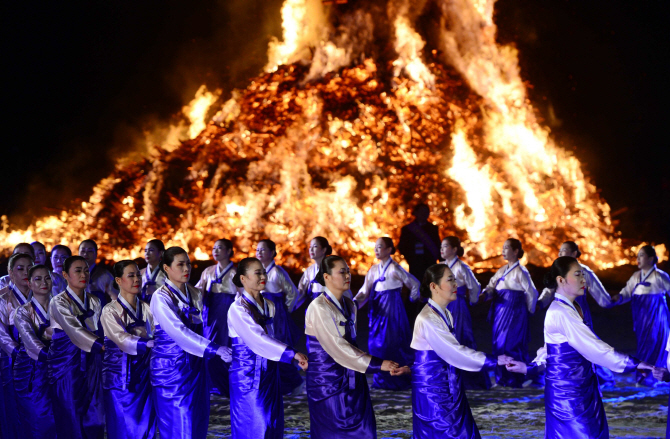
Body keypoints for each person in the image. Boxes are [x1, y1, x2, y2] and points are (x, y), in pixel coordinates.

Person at [506, 257, 652, 438]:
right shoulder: (560, 312)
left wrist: (531, 367)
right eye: (577, 275)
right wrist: (633, 364)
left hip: (582, 387)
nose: (584, 280)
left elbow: (549, 350)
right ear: (561, 280)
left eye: (583, 275)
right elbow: (593, 347)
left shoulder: (572, 307)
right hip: (568, 394)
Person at [306, 255, 403, 439]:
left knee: (364, 427)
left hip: (353, 374)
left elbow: (351, 342)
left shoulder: (349, 304)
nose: (348, 275)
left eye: (348, 271)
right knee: (333, 430)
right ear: (326, 277)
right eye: (342, 272)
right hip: (327, 380)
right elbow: (337, 345)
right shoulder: (318, 307)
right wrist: (377, 364)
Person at [412, 263, 511, 438]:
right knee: (446, 429)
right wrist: (492, 361)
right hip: (433, 385)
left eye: (455, 280)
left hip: (447, 380)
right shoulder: (428, 318)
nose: (456, 285)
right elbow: (454, 351)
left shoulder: (445, 313)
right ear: (434, 286)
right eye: (450, 280)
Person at [150, 246, 230, 439]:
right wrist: (215, 348)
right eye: (180, 264)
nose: (187, 268)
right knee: (180, 422)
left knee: (198, 420)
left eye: (188, 264)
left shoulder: (194, 293)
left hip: (196, 366)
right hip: (171, 369)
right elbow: (179, 331)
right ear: (166, 268)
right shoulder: (160, 297)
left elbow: (199, 326)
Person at [228, 257, 308, 439]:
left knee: (273, 422)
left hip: (269, 372)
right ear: (243, 278)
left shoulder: (269, 305)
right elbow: (258, 338)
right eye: (257, 273)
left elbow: (270, 339)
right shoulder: (237, 309)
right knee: (256, 424)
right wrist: (292, 353)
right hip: (248, 376)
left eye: (263, 272)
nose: (263, 276)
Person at [538, 240, 618, 386]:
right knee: (561, 347)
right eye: (560, 251)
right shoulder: (557, 272)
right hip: (562, 314)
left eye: (565, 250)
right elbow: (548, 291)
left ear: (574, 253)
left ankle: (603, 377)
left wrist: (611, 301)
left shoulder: (585, 272)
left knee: (587, 346)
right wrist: (540, 303)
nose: (560, 253)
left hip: (580, 315)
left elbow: (599, 293)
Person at [49, 255, 105, 439]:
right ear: (65, 275)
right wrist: (99, 345)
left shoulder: (95, 301)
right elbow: (73, 329)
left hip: (92, 364)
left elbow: (99, 329)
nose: (84, 275)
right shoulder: (58, 301)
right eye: (78, 271)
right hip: (67, 366)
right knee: (71, 414)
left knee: (94, 415)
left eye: (86, 270)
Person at [101, 260, 156, 439]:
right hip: (120, 377)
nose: (136, 280)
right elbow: (120, 338)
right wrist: (145, 343)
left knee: (146, 422)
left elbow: (157, 333)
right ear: (118, 280)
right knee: (122, 424)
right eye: (130, 276)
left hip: (145, 373)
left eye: (138, 275)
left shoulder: (147, 308)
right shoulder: (110, 311)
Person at [355, 237, 419, 390]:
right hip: (378, 310)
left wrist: (412, 298)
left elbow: (414, 283)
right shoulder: (373, 270)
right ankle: (381, 379)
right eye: (376, 247)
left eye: (380, 247)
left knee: (393, 343)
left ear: (389, 250)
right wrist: (353, 304)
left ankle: (398, 378)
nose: (377, 250)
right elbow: (364, 291)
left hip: (392, 310)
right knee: (376, 344)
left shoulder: (394, 268)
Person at [481, 238, 538, 387]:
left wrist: (530, 309)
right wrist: (486, 293)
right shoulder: (502, 269)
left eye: (507, 248)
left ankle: (515, 378)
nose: (503, 251)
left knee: (511, 344)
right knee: (498, 343)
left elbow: (531, 291)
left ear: (516, 251)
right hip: (500, 311)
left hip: (514, 312)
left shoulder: (521, 271)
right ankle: (502, 378)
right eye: (503, 247)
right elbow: (491, 285)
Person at [614, 245, 670, 385]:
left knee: (656, 343)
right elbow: (626, 293)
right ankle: (644, 375)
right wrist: (617, 298)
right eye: (638, 255)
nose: (638, 258)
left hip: (656, 316)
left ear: (651, 259)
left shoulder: (660, 276)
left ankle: (655, 376)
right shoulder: (636, 276)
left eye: (642, 255)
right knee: (643, 344)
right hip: (641, 317)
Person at [13, 264, 56, 439]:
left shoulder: (62, 307)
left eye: (47, 278)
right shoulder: (22, 312)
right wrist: (54, 355)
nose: (43, 282)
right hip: (31, 369)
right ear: (29, 284)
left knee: (60, 416)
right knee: (36, 418)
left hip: (59, 368)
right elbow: (31, 342)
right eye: (37, 279)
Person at [439, 236, 489, 389]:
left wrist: (473, 300)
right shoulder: (440, 266)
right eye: (441, 246)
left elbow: (474, 285)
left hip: (457, 305)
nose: (442, 249)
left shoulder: (461, 267)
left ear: (454, 249)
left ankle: (469, 379)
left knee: (460, 338)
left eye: (446, 246)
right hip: (443, 307)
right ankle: (447, 377)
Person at [256, 239, 304, 394]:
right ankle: (271, 383)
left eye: (263, 250)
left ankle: (293, 383)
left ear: (272, 253)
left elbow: (293, 292)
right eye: (258, 250)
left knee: (279, 347)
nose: (260, 253)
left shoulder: (278, 272)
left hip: (276, 316)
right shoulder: (255, 272)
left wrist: (285, 310)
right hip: (260, 314)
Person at [195, 238, 238, 396]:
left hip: (227, 313)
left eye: (220, 248)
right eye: (214, 248)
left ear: (229, 251)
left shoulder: (235, 273)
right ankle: (216, 384)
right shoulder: (208, 271)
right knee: (209, 344)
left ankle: (226, 385)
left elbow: (241, 295)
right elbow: (199, 289)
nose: (215, 251)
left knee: (225, 345)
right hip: (211, 312)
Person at [0, 252, 34, 439]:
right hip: (12, 361)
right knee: (13, 407)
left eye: (29, 267)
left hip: (38, 360)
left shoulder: (41, 295)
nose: (25, 272)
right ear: (10, 273)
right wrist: (17, 352)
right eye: (20, 269)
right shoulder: (3, 298)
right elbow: (1, 333)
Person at [397, 203, 441, 280]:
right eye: (421, 211)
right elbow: (402, 246)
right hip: (415, 265)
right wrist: (411, 259)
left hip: (430, 264)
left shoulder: (433, 229)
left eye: (426, 212)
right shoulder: (407, 230)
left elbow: (438, 246)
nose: (424, 214)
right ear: (416, 213)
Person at [79, 239, 116, 305]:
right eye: (83, 251)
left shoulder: (104, 275)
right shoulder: (72, 274)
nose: (85, 254)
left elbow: (115, 297)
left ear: (96, 254)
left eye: (90, 251)